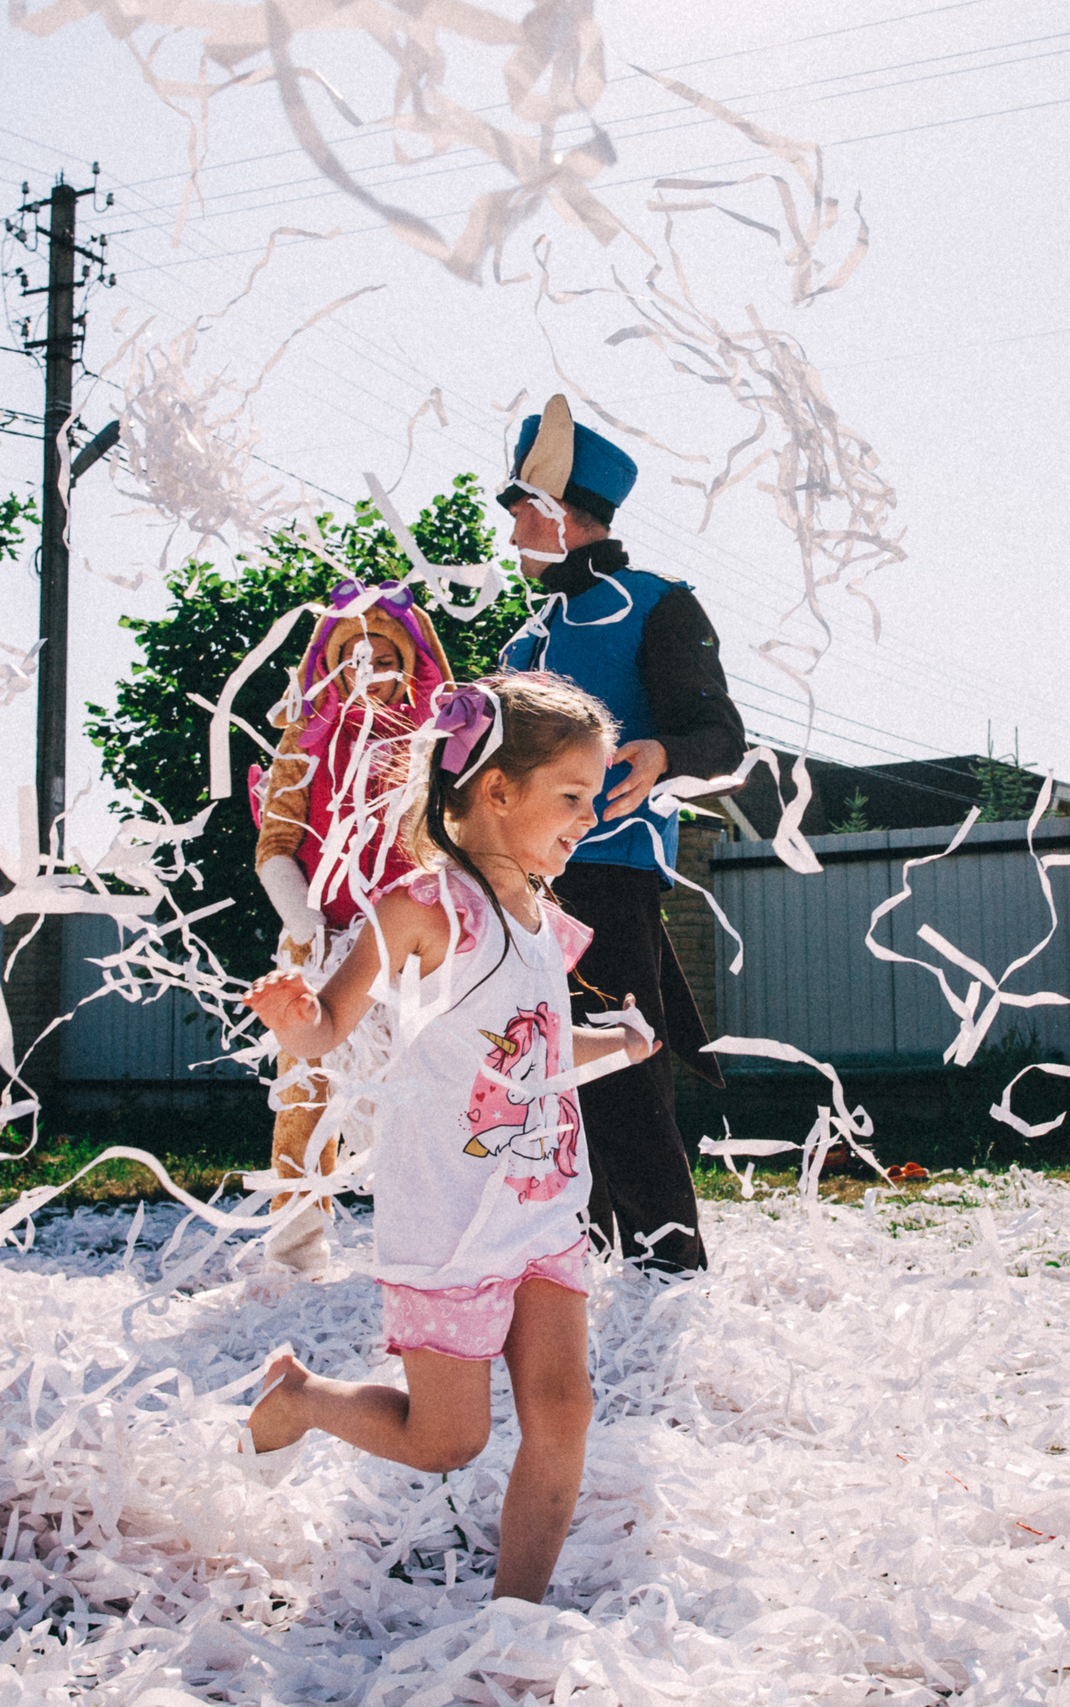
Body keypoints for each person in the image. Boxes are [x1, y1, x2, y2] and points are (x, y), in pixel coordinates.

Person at [242, 671, 655, 1607]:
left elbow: (539, 1048)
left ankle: (516, 1623)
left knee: (564, 1415)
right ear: (497, 790)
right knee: (447, 1441)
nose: (589, 816)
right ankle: (302, 1397)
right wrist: (292, 1016)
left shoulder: (545, 921)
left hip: (546, 1209)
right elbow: (327, 1029)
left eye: (593, 797)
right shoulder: (422, 911)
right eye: (573, 795)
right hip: (449, 1224)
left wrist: (620, 1042)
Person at [493, 395, 747, 1272]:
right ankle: (576, 1259)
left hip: (608, 871)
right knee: (536, 1077)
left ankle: (666, 1268)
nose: (513, 524)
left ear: (560, 512)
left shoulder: (659, 603)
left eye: (520, 504)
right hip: (516, 893)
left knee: (625, 1077)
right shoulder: (523, 639)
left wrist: (665, 752)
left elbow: (723, 738)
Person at [247, 582, 455, 1275]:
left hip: (414, 952)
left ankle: (423, 1248)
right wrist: (305, 927)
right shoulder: (301, 742)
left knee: (423, 1095)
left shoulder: (440, 746)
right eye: (350, 654)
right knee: (305, 1091)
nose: (366, 668)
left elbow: (454, 840)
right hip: (318, 941)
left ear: (412, 662)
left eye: (383, 654)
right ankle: (294, 1251)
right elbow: (275, 842)